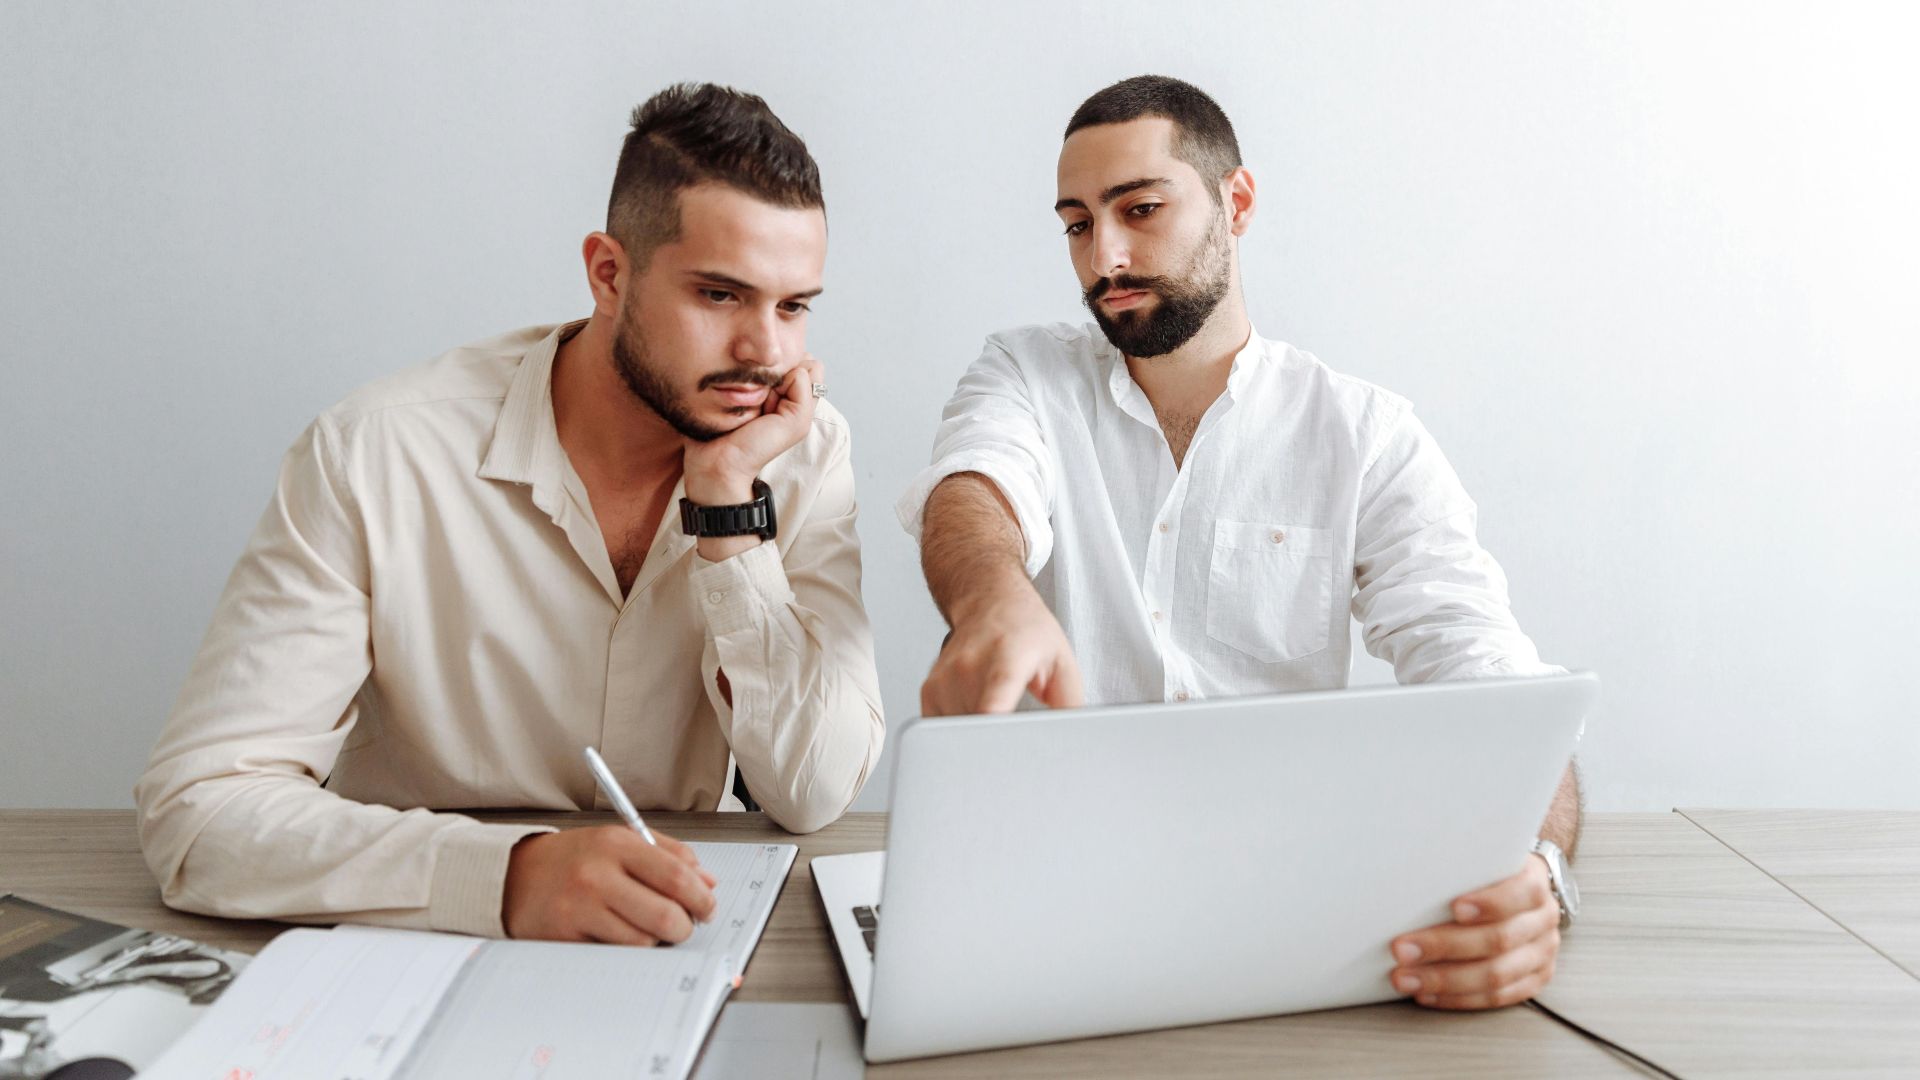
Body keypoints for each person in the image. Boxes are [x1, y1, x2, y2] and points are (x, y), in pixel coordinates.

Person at [136, 83, 883, 946]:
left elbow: (814, 789)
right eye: (720, 296)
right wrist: (508, 875)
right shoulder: (377, 452)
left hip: (666, 938)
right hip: (414, 941)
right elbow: (200, 810)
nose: (767, 352)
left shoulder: (800, 452)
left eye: (793, 307)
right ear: (609, 273)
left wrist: (725, 510)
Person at [901, 75, 1578, 1011]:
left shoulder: (1363, 434)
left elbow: (1502, 690)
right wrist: (993, 599)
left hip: (1284, 922)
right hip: (1041, 898)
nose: (1106, 256)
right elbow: (975, 491)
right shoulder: (1026, 371)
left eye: (1140, 209)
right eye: (1076, 224)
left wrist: (1540, 877)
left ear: (1236, 202)